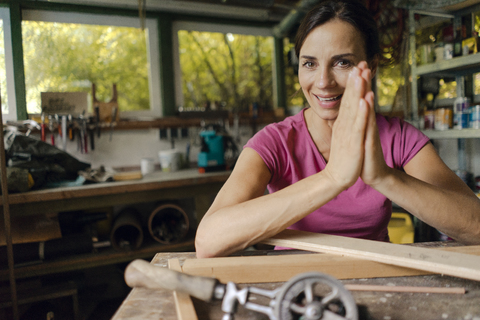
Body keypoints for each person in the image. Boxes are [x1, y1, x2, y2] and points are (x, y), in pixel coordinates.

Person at [195, 0, 480, 258]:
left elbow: (475, 226)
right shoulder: (274, 142)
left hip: (376, 275)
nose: (323, 82)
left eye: (342, 62)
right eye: (310, 64)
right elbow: (209, 240)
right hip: (291, 283)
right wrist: (332, 178)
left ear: (373, 66)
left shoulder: (399, 138)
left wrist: (383, 177)